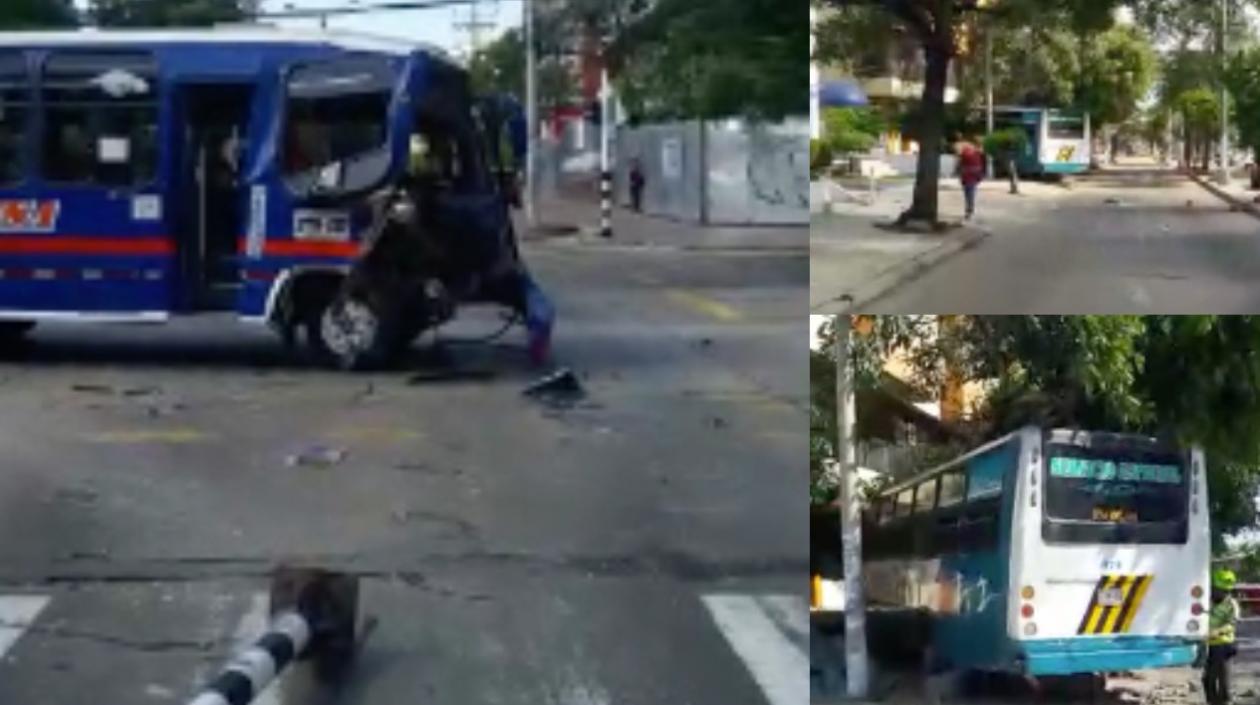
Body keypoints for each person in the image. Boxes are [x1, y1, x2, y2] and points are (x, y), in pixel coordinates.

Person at [1204, 568, 1240, 705]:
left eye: (1226, 591)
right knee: (1208, 680)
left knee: (1224, 681)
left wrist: (1217, 631)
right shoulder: (1207, 600)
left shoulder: (1232, 604)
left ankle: (1226, 701)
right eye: (1220, 589)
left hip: (1223, 646)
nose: (1223, 593)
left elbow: (1232, 624)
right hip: (1208, 645)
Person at [955, 139, 985, 220]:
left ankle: (969, 210)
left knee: (968, 194)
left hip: (967, 176)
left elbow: (959, 164)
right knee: (970, 194)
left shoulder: (966, 153)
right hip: (972, 176)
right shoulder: (977, 153)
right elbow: (981, 165)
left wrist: (959, 172)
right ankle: (969, 210)